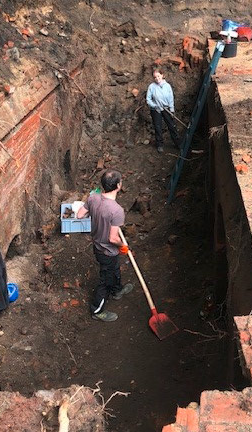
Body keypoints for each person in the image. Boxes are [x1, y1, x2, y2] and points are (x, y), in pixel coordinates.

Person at [77, 170, 133, 322]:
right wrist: (123, 245)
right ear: (118, 186)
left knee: (114, 269)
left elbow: (79, 215)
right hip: (107, 251)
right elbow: (112, 237)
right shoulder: (116, 211)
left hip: (97, 246)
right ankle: (97, 310)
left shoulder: (93, 198)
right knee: (105, 281)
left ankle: (117, 290)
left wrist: (97, 215)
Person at [146, 69, 181, 154]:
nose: (157, 78)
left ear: (162, 75)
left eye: (158, 76)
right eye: (155, 77)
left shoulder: (167, 86)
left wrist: (172, 110)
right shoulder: (151, 87)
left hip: (166, 109)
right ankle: (159, 145)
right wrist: (155, 105)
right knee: (158, 127)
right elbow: (148, 99)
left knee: (172, 126)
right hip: (156, 110)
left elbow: (171, 98)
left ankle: (178, 144)